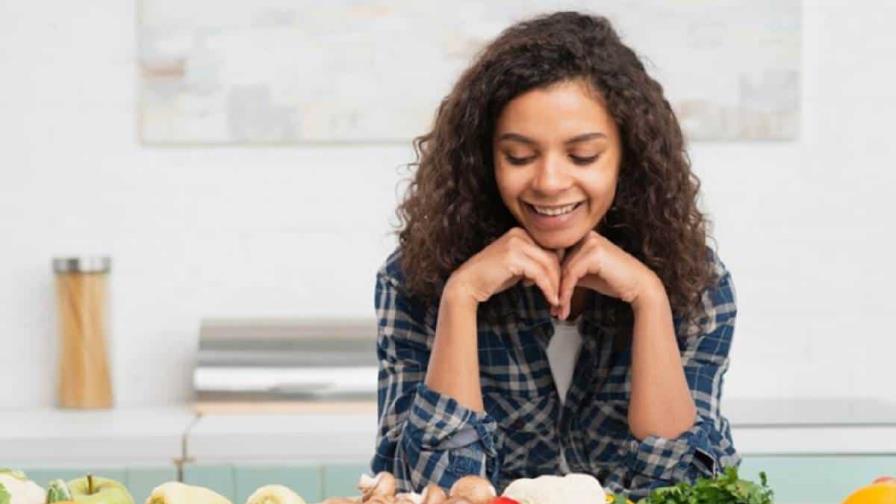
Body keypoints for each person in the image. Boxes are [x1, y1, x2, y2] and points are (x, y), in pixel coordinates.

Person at [370, 11, 739, 500]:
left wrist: (649, 299)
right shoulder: (414, 279)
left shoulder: (697, 286)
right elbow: (427, 490)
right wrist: (461, 297)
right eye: (519, 157)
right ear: (485, 159)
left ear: (629, 157)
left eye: (583, 156)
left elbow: (689, 492)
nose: (548, 182)